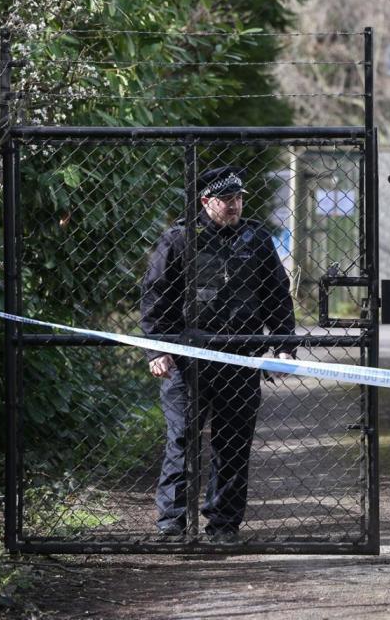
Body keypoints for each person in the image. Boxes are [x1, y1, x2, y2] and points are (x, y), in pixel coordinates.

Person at [140, 165, 296, 542]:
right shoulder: (178, 240)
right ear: (206, 201)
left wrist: (284, 345)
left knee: (233, 443)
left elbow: (277, 294)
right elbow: (155, 296)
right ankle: (172, 524)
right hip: (188, 358)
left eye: (239, 198)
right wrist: (156, 349)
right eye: (226, 199)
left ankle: (223, 525)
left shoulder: (256, 239)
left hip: (241, 356)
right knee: (183, 438)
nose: (235, 206)